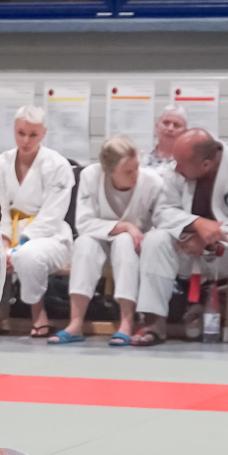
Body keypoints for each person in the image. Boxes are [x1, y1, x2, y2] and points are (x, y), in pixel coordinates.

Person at [134, 129, 228, 350]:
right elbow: (162, 212)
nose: (175, 168)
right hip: (187, 248)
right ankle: (153, 323)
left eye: (180, 164)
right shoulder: (177, 169)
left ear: (205, 164)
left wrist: (209, 237)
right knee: (155, 239)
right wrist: (196, 224)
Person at [49, 136, 161, 345]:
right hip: (98, 237)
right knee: (84, 243)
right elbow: (83, 223)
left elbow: (160, 224)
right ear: (109, 171)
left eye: (136, 168)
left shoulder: (152, 182)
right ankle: (75, 323)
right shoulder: (90, 176)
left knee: (124, 242)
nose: (135, 175)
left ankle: (126, 322)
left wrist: (135, 233)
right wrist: (125, 226)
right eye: (128, 171)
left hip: (136, 245)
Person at [0, 105, 76, 338]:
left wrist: (20, 245)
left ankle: (39, 315)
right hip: (9, 231)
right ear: (14, 130)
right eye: (21, 133)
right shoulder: (0, 164)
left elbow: (53, 214)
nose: (26, 140)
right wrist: (5, 243)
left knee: (28, 256)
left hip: (50, 235)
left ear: (44, 133)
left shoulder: (58, 165)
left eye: (33, 134)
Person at [144, 105, 188, 171]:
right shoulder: (142, 159)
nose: (170, 128)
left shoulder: (188, 164)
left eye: (176, 125)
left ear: (185, 132)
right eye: (166, 122)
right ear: (157, 126)